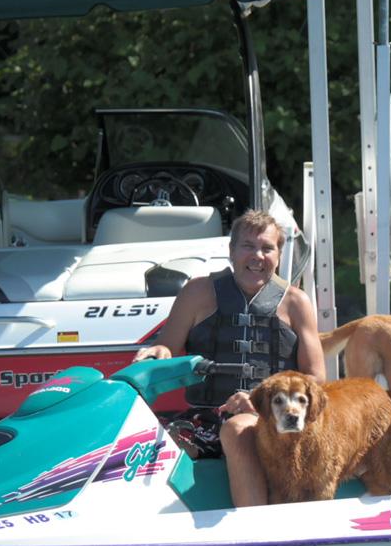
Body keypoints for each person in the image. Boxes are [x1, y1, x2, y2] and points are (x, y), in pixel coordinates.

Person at [134, 209, 324, 505]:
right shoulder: (197, 292)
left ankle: (254, 527)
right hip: (204, 416)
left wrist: (261, 400)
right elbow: (167, 346)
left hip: (271, 417)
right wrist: (158, 352)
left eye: (267, 248)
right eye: (248, 246)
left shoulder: (296, 303)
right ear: (232, 250)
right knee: (146, 444)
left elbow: (315, 378)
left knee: (237, 430)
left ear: (278, 255)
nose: (257, 256)